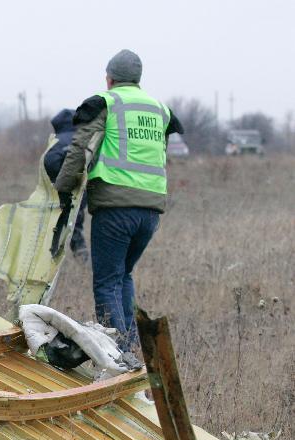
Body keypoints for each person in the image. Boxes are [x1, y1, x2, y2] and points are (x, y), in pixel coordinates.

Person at [54, 49, 183, 351]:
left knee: (106, 282)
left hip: (115, 209)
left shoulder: (106, 103)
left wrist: (62, 187)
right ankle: (129, 348)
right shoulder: (160, 110)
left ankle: (117, 355)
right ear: (138, 79)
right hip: (150, 212)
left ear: (109, 78)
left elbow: (78, 150)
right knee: (123, 275)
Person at [44, 108, 88, 261]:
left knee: (57, 225)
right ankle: (81, 254)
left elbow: (50, 163)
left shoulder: (56, 141)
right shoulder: (83, 138)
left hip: (61, 192)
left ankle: (52, 255)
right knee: (76, 223)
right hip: (82, 192)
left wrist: (59, 179)